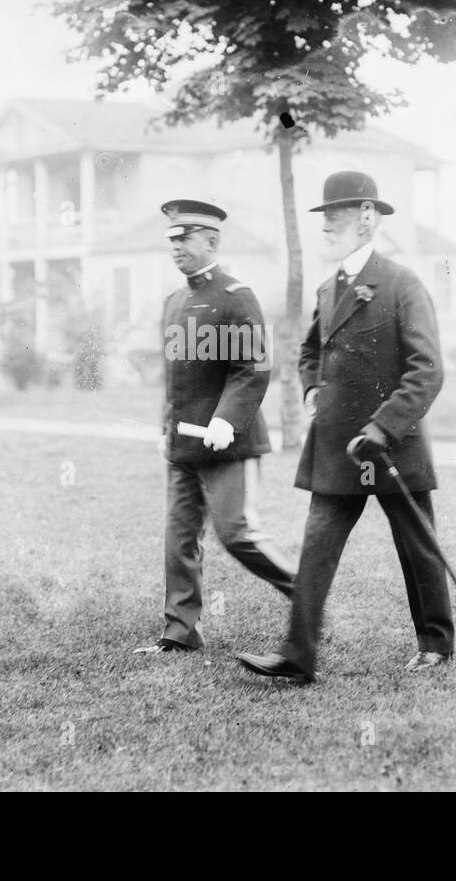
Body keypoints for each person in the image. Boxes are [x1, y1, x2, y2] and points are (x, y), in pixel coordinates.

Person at [235, 171, 453, 684]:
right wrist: (313, 388)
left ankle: (436, 645)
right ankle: (298, 655)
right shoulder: (328, 288)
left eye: (337, 215)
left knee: (416, 545)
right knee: (316, 547)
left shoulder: (402, 283)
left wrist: (383, 428)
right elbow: (310, 350)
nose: (327, 225)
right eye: (324, 216)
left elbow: (427, 370)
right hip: (337, 446)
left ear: (367, 218)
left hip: (391, 446)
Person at [133, 199, 296, 655]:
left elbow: (253, 369)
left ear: (212, 241)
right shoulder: (173, 302)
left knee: (236, 534)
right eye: (173, 240)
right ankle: (180, 633)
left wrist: (225, 420)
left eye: (185, 238)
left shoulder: (235, 295)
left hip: (229, 444)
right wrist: (163, 429)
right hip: (183, 446)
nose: (177, 247)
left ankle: (307, 597)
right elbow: (175, 379)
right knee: (178, 540)